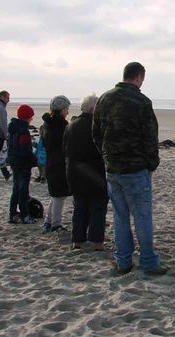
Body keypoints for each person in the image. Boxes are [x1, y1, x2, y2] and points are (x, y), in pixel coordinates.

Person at [93, 62, 167, 275]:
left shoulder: (104, 99)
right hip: (135, 168)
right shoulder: (141, 102)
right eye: (142, 79)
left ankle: (123, 260)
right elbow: (151, 137)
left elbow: (96, 133)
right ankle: (148, 262)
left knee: (120, 215)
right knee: (142, 216)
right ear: (138, 77)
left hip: (113, 168)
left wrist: (107, 156)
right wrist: (152, 164)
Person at [64, 94, 108, 251]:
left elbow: (66, 150)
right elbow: (103, 150)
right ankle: (97, 243)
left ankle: (78, 241)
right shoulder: (98, 126)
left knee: (80, 208)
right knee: (97, 208)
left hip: (75, 173)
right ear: (93, 108)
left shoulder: (70, 126)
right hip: (95, 173)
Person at [41, 95, 71, 233]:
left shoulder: (48, 124)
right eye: (66, 109)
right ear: (61, 109)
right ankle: (55, 223)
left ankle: (49, 220)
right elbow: (63, 146)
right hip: (58, 163)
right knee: (59, 194)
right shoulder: (59, 126)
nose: (68, 112)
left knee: (56, 194)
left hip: (52, 162)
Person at [7, 104, 38, 224]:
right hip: (22, 163)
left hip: (14, 161)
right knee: (23, 190)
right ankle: (24, 215)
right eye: (31, 116)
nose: (32, 119)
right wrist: (33, 160)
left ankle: (13, 214)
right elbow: (25, 150)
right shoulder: (23, 131)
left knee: (16, 189)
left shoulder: (13, 128)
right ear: (27, 117)